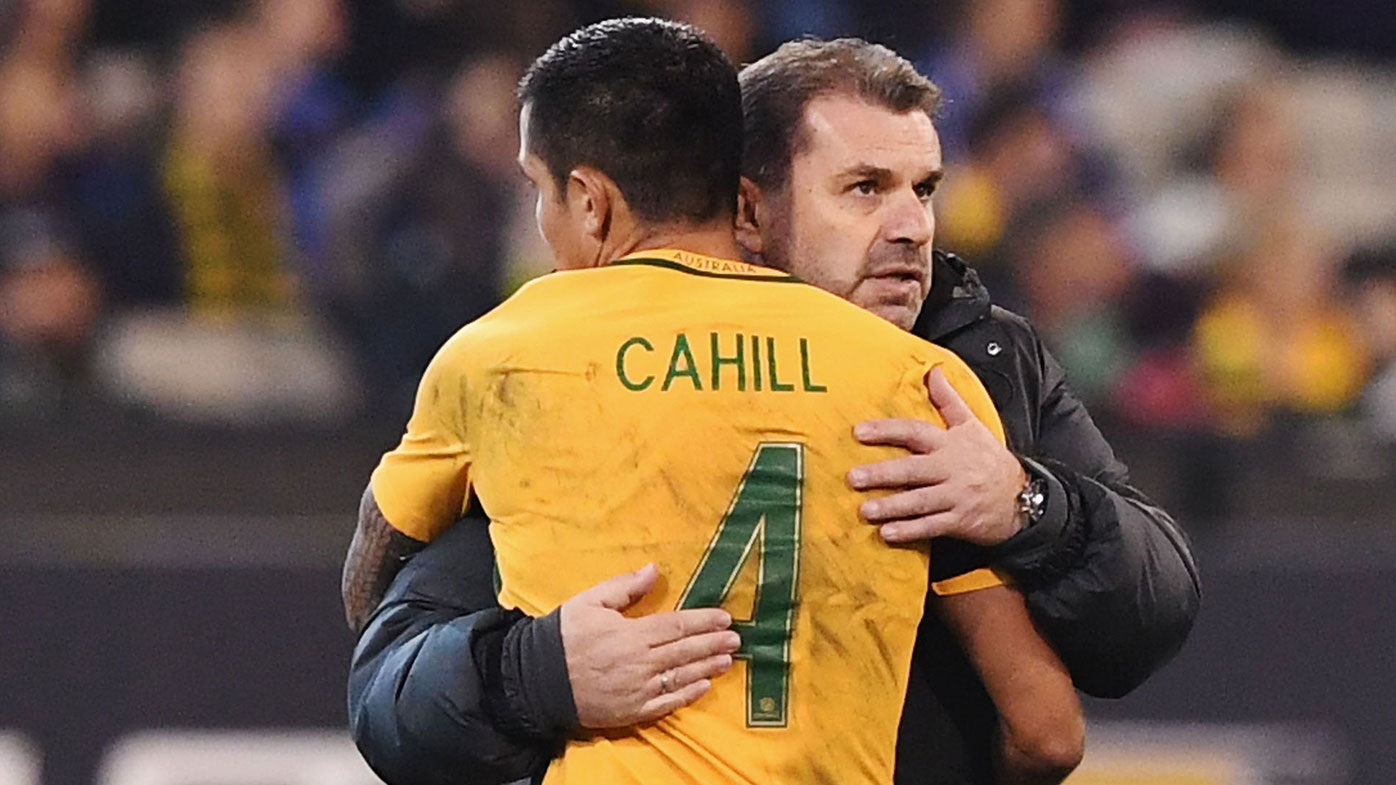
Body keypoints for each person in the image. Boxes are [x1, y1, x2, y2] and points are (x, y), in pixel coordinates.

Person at [347, 35, 1196, 785]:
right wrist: (527, 673)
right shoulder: (912, 385)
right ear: (748, 207)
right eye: (865, 188)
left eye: (925, 189)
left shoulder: (980, 359)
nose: (910, 226)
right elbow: (1045, 730)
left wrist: (1023, 503)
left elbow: (1156, 608)